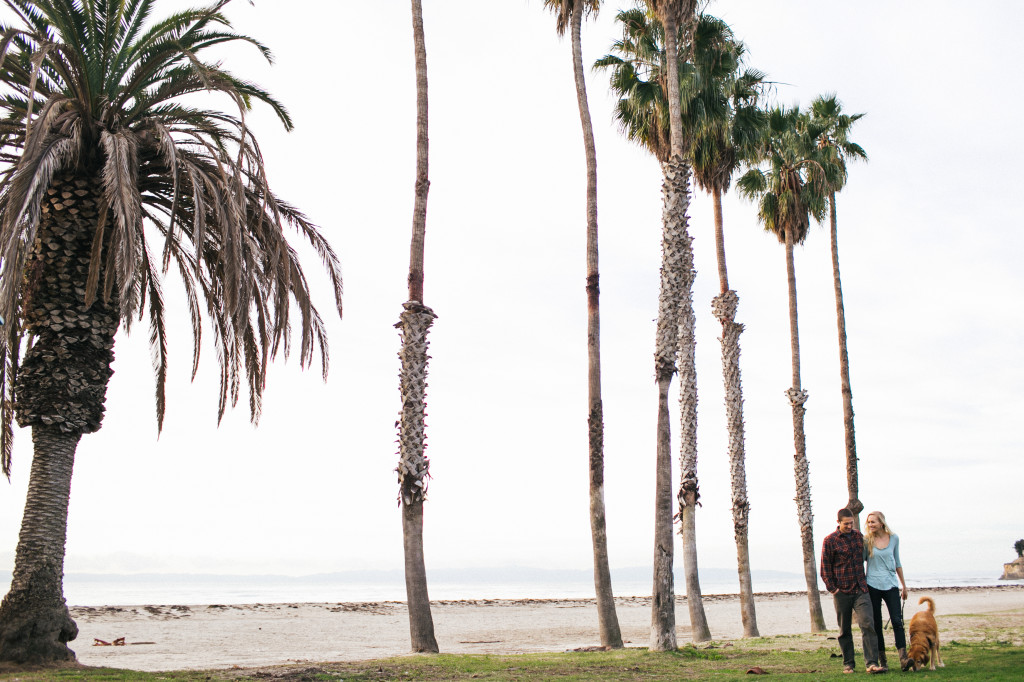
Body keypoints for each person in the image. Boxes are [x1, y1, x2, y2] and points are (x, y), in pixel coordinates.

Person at [821, 507, 883, 674]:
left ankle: (871, 663)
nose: (849, 526)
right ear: (838, 522)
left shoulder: (858, 537)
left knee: (868, 624)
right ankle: (848, 664)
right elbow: (825, 569)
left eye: (852, 523)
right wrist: (834, 589)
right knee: (844, 629)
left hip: (860, 589)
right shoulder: (830, 541)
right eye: (846, 524)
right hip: (842, 592)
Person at [864, 510, 909, 671]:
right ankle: (883, 661)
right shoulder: (867, 540)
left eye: (873, 522)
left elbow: (897, 562)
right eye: (868, 522)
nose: (870, 525)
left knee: (897, 621)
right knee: (877, 624)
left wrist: (904, 586)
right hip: (872, 585)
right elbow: (859, 561)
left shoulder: (894, 538)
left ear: (881, 523)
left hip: (891, 584)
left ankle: (903, 658)